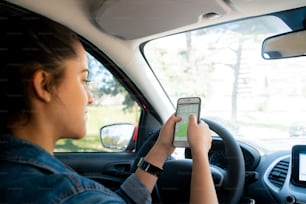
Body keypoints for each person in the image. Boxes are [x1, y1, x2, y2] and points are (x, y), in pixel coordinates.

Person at [0, 14, 218, 204]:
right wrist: (199, 154)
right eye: (83, 80)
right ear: (44, 85)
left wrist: (161, 149)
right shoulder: (69, 195)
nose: (90, 98)